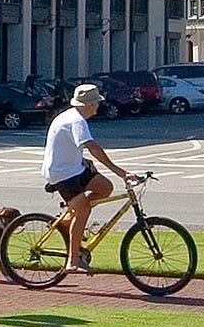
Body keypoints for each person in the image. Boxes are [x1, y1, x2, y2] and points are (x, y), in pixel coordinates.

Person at [41, 83, 137, 274]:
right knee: (84, 208)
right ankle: (72, 261)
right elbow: (93, 148)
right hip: (61, 173)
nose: (97, 107)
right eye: (95, 103)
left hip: (74, 168)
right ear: (87, 105)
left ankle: (68, 218)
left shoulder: (73, 116)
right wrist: (120, 171)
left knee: (104, 187)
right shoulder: (76, 121)